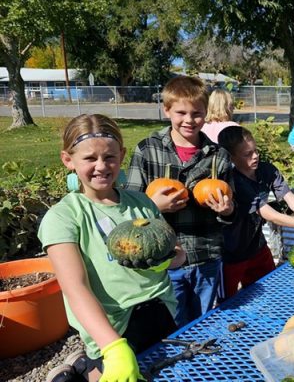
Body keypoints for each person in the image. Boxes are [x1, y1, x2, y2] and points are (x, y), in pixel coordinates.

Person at [38, 114, 186, 382]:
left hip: (162, 311)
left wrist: (166, 260)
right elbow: (76, 288)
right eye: (90, 158)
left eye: (109, 157)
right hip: (110, 327)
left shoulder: (142, 204)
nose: (101, 166)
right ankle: (85, 369)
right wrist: (113, 347)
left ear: (122, 155)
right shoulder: (63, 217)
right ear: (68, 160)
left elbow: (177, 254)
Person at [125, 75, 234, 327]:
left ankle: (199, 364)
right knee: (171, 325)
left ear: (206, 112)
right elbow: (129, 207)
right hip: (165, 258)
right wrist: (153, 206)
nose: (189, 120)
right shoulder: (147, 150)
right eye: (181, 112)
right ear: (167, 110)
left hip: (206, 254)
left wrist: (227, 210)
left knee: (202, 321)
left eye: (197, 113)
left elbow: (232, 208)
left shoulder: (218, 157)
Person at [217, 126, 294, 298]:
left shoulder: (266, 170)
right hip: (231, 254)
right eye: (247, 154)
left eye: (256, 150)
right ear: (232, 157)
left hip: (257, 247)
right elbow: (269, 214)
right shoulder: (234, 181)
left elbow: (290, 198)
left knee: (270, 293)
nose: (255, 156)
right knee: (227, 303)